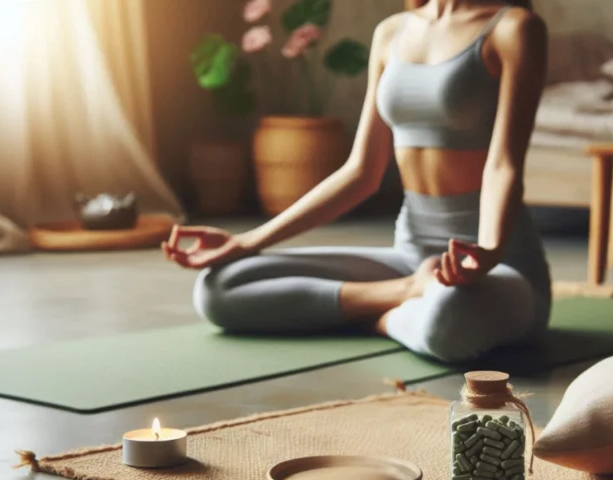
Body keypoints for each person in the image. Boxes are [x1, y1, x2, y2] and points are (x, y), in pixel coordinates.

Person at [163, 0, 549, 363]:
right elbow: (362, 171)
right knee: (220, 287)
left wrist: (489, 249)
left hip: (499, 267)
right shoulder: (392, 32)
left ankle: (372, 316)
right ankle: (402, 297)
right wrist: (247, 241)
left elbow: (503, 165)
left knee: (446, 320)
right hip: (411, 257)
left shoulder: (514, 27)